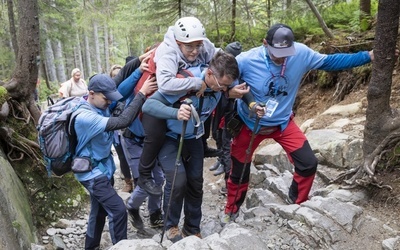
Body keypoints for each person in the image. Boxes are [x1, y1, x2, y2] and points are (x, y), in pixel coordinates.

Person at [220, 23, 375, 225]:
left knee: (308, 163)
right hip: (249, 125)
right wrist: (232, 92)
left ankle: (297, 202)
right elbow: (225, 78)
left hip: (282, 124)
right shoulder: (246, 60)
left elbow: (330, 62)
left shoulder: (300, 53)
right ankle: (231, 210)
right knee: (239, 172)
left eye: (286, 52)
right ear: (265, 43)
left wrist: (367, 56)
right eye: (277, 52)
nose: (282, 57)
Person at [142, 50, 250, 242]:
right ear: (209, 74)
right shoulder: (184, 82)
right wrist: (175, 113)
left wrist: (247, 101)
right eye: (222, 85)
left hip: (194, 137)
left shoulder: (220, 84)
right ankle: (171, 225)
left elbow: (233, 92)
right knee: (178, 180)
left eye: (227, 85)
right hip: (170, 137)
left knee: (196, 182)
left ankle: (192, 227)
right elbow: (149, 106)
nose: (224, 89)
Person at [72, 60, 156, 249]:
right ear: (91, 94)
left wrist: (137, 67)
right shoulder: (86, 117)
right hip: (92, 174)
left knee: (98, 212)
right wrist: (142, 93)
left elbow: (119, 88)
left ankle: (91, 246)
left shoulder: (98, 104)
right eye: (106, 98)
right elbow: (122, 121)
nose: (110, 102)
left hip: (102, 169)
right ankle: (121, 246)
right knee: (118, 211)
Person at [209, 41, 243, 195]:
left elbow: (227, 101)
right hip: (223, 116)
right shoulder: (230, 75)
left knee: (227, 146)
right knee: (220, 140)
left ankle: (229, 183)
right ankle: (223, 165)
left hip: (230, 117)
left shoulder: (233, 78)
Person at [108, 64, 135, 193]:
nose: (118, 78)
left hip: (130, 130)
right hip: (116, 132)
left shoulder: (130, 89)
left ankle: (138, 180)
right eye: (114, 76)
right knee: (122, 157)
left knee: (134, 157)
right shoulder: (109, 96)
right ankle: (128, 182)